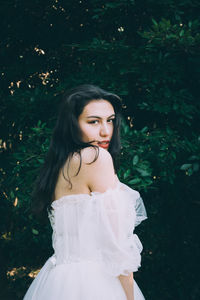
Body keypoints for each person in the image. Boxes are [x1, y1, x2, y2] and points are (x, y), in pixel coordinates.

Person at [23, 84, 147, 300]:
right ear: (72, 125)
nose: (105, 131)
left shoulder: (62, 165)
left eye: (110, 120)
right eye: (93, 122)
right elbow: (117, 247)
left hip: (58, 281)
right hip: (96, 282)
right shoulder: (95, 157)